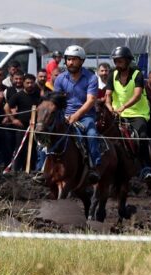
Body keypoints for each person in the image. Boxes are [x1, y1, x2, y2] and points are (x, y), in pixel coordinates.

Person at [104, 46, 151, 181]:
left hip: (137, 114)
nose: (117, 64)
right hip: (117, 114)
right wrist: (109, 107)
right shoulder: (112, 74)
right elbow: (108, 95)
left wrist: (123, 107)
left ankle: (146, 168)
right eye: (116, 61)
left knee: (142, 136)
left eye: (120, 61)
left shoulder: (137, 74)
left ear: (127, 61)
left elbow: (137, 95)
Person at [57, 45, 101, 183]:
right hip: (64, 116)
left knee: (92, 135)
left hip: (86, 117)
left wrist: (76, 116)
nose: (70, 62)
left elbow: (91, 101)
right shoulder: (60, 78)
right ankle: (42, 169)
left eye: (74, 59)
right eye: (68, 59)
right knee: (47, 136)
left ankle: (95, 167)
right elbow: (57, 100)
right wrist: (63, 116)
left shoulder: (91, 78)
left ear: (81, 61)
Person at [7, 73, 41, 171]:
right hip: (22, 127)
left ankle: (31, 170)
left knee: (34, 150)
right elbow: (6, 107)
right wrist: (13, 120)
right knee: (20, 149)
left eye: (32, 82)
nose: (30, 85)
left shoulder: (38, 94)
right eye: (27, 83)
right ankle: (16, 171)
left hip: (35, 126)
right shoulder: (18, 95)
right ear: (24, 83)